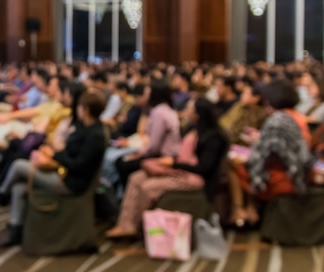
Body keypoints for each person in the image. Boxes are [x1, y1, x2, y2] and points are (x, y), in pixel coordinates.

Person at [0, 91, 107, 248]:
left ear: (86, 110)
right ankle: (16, 230)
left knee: (18, 166)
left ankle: (1, 194)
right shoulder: (87, 128)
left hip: (71, 183)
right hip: (65, 173)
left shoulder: (95, 136)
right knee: (19, 188)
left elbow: (77, 165)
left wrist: (55, 154)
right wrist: (53, 153)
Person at [105, 98, 229, 238]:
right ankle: (125, 224)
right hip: (181, 171)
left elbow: (204, 168)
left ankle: (138, 226)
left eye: (189, 109)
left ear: (198, 114)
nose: (185, 111)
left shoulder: (213, 138)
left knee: (148, 187)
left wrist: (173, 164)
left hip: (194, 178)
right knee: (136, 178)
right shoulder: (192, 129)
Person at [228, 79, 314, 227]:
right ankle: (250, 209)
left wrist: (255, 143)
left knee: (234, 163)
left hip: (284, 178)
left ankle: (240, 211)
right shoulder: (297, 116)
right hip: (297, 173)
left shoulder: (278, 120)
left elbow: (262, 156)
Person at [114, 79, 181, 189]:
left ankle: (123, 195)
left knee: (122, 163)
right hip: (166, 153)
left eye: (148, 92)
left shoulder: (159, 113)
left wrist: (138, 154)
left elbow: (153, 146)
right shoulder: (167, 109)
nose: (146, 94)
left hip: (163, 156)